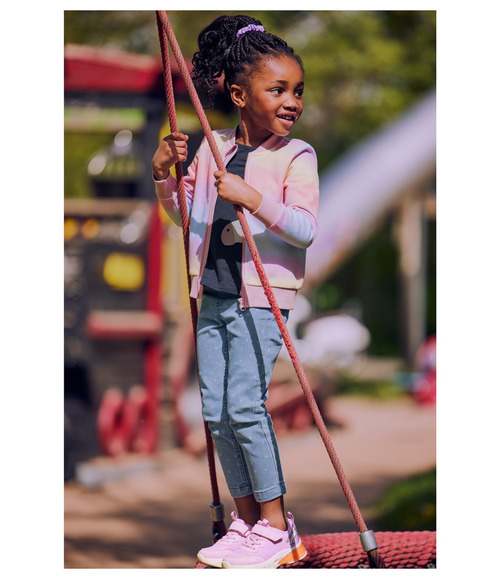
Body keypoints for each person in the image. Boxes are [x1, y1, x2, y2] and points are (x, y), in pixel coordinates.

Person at [152, 14, 318, 569]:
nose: (291, 100)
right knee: (217, 412)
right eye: (278, 89)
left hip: (262, 296)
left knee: (246, 407)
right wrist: (163, 177)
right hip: (214, 293)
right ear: (240, 93)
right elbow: (187, 218)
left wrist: (252, 199)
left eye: (297, 90)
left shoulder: (297, 156)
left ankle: (276, 524)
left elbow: (303, 227)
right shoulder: (210, 146)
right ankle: (247, 524)